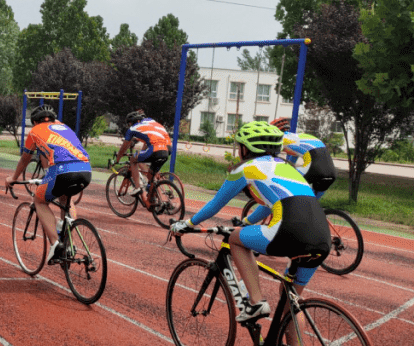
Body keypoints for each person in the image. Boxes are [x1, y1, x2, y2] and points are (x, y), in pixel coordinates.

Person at [170, 121, 330, 331]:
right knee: (291, 304)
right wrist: (247, 222)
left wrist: (187, 224)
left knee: (236, 239)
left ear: (245, 148)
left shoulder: (247, 168)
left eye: (239, 146)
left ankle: (256, 302)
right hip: (322, 235)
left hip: (289, 231)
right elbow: (268, 206)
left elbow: (215, 204)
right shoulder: (288, 168)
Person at [5, 106, 92, 263]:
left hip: (62, 171)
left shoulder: (35, 130)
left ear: (35, 122)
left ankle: (55, 244)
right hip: (86, 169)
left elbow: (25, 159)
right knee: (66, 199)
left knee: (39, 200)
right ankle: (68, 241)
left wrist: (13, 177)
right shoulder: (64, 127)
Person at [113, 109, 172, 206]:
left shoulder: (132, 129)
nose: (129, 126)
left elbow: (124, 147)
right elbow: (148, 140)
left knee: (133, 159)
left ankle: (137, 187)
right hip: (167, 149)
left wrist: (117, 159)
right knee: (151, 176)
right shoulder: (150, 122)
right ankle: (156, 200)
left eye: (129, 124)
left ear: (131, 122)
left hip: (155, 149)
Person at [271, 117, 337, 198]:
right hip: (331, 171)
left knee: (280, 194)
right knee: (312, 204)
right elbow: (292, 161)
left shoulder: (282, 138)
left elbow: (272, 157)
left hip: (314, 168)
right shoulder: (298, 137)